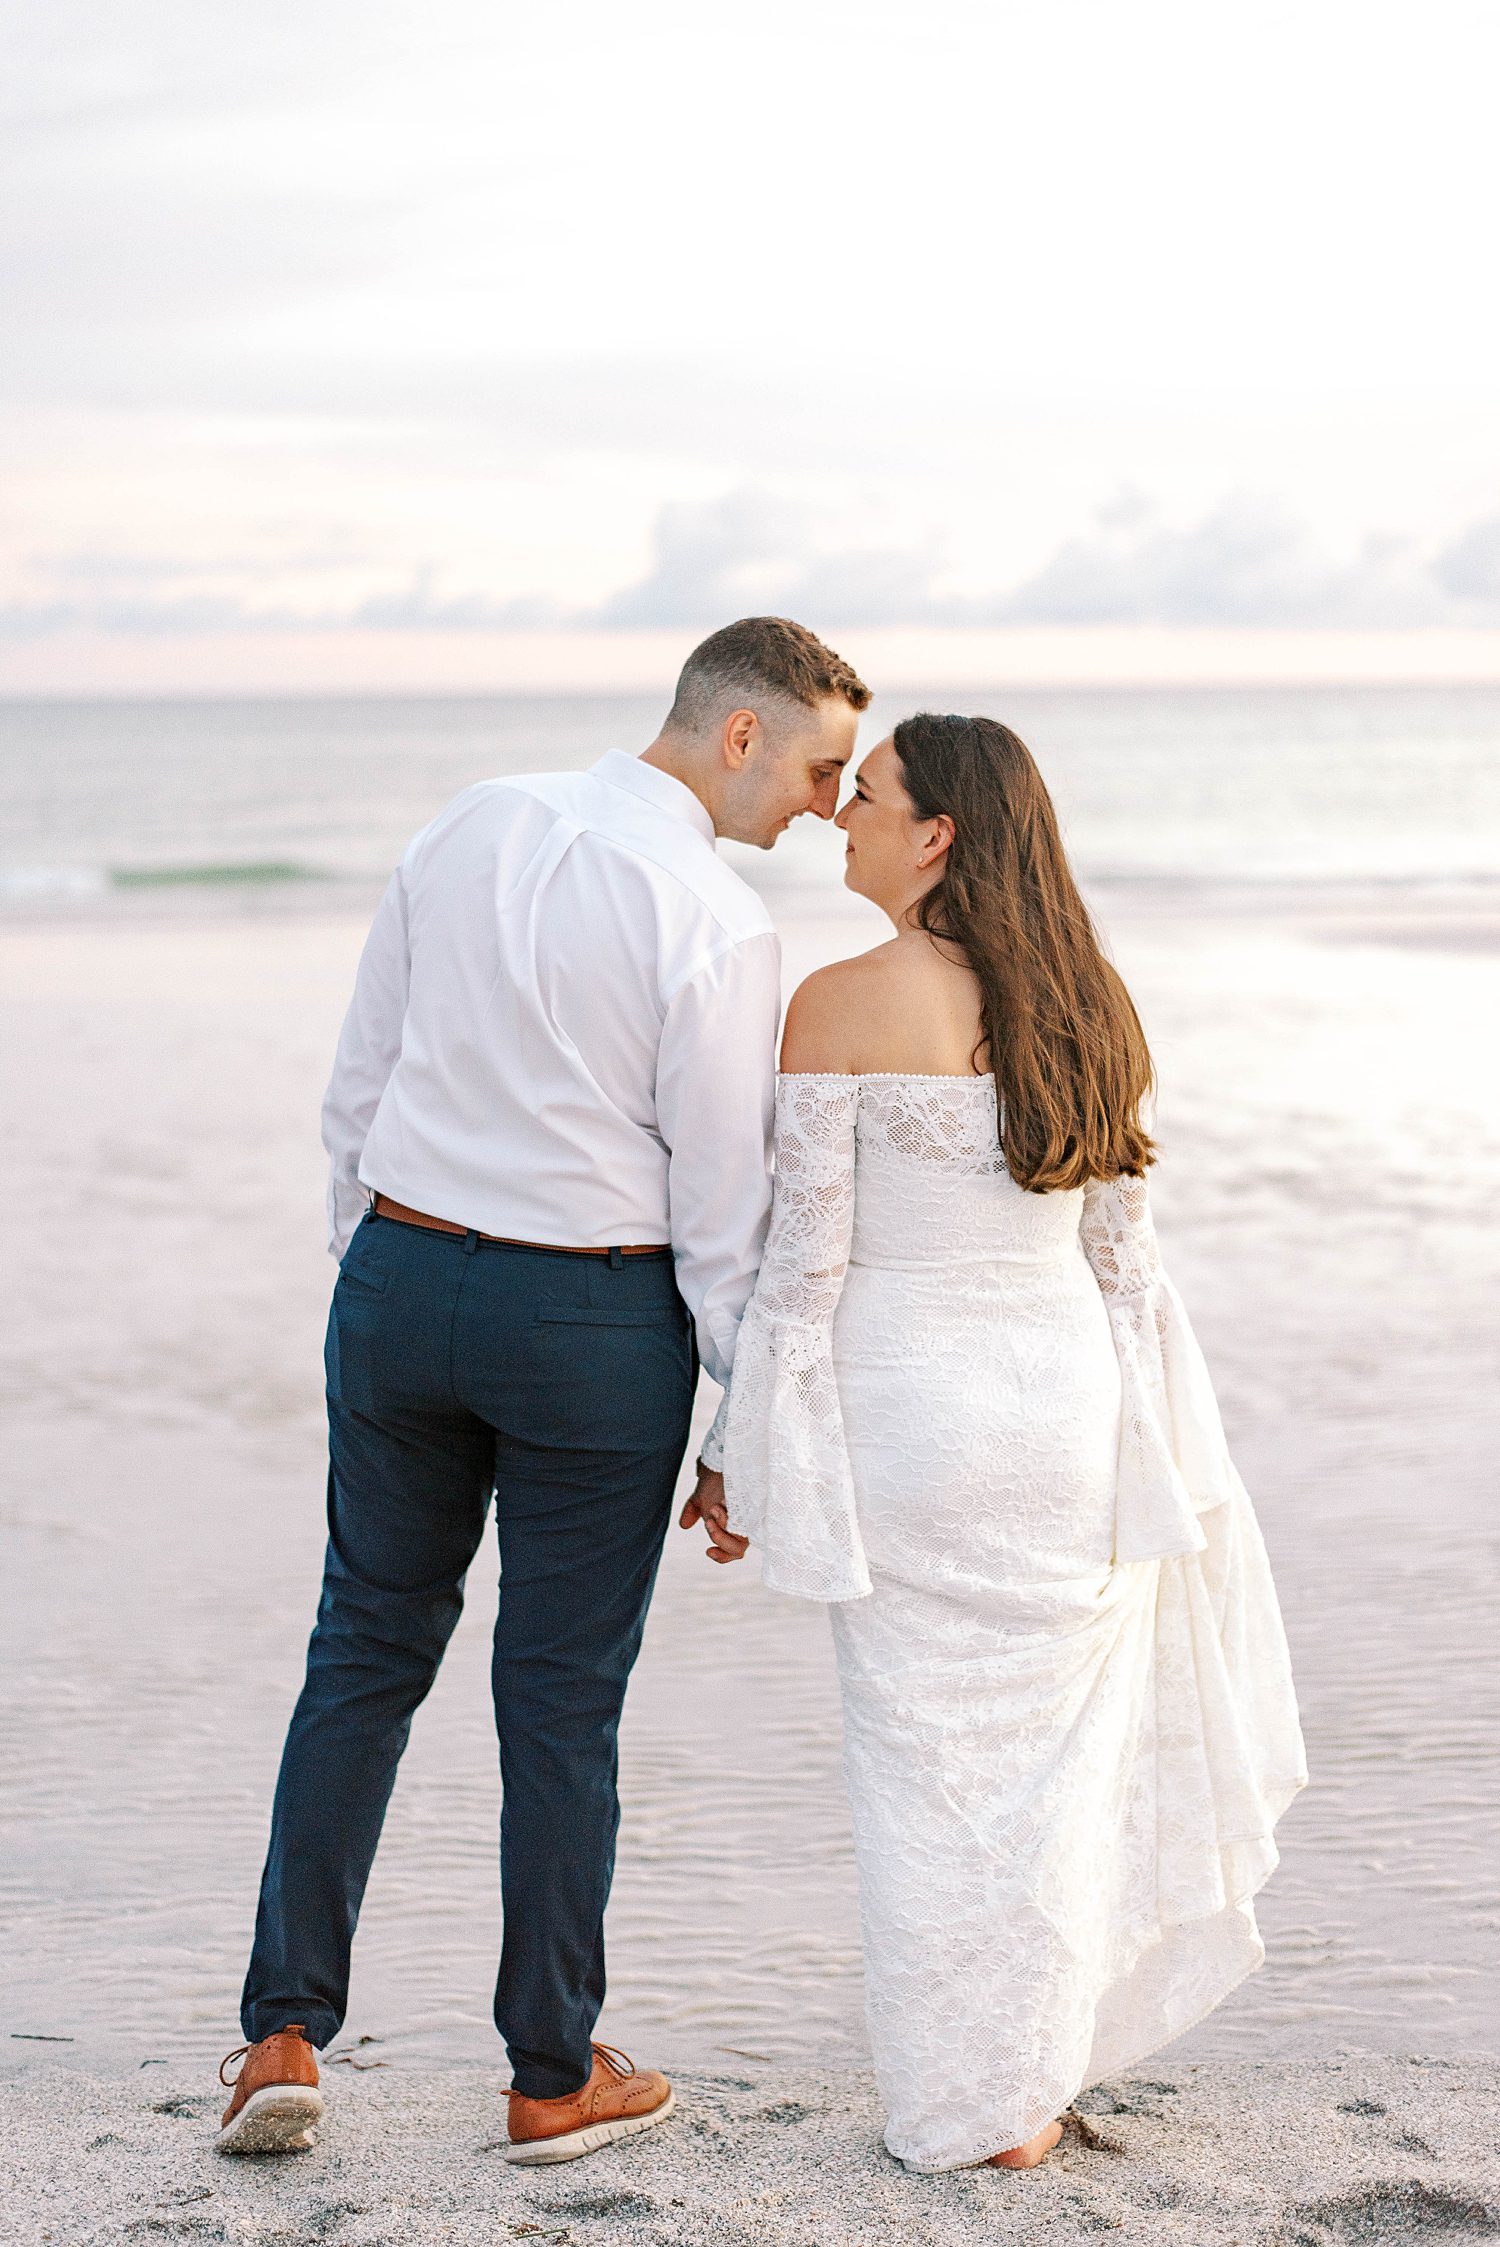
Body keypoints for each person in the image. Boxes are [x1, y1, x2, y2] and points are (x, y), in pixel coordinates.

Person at [215, 617, 868, 2161]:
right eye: (820, 767)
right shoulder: (713, 918)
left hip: (401, 1281)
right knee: (558, 1703)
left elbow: (359, 1079)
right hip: (590, 1318)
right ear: (738, 737)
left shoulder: (471, 818)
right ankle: (551, 2074)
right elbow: (721, 1213)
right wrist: (738, 1428)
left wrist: (381, 1264)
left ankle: (283, 2036)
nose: (825, 807)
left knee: (362, 1649)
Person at [681, 713, 1307, 2173]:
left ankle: (972, 2110)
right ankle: (1023, 2085)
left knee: (927, 1777)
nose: (846, 815)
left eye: (873, 796)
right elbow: (1126, 1268)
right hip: (1068, 1421)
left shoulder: (832, 1003)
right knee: (1053, 1780)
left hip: (917, 1429)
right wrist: (1166, 1465)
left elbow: (802, 1277)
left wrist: (737, 1453)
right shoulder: (1092, 1003)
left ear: (940, 835)